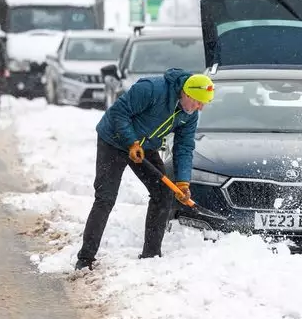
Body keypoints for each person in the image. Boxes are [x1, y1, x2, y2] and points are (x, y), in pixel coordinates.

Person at [75, 69, 215, 271]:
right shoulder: (152, 89)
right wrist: (131, 142)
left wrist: (183, 181)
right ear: (186, 93)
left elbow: (184, 147)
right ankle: (85, 258)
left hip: (145, 147)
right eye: (198, 102)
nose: (200, 108)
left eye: (203, 104)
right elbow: (118, 113)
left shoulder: (189, 114)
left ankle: (151, 255)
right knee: (106, 197)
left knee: (163, 193)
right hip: (113, 140)